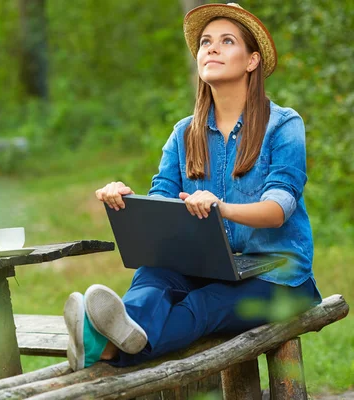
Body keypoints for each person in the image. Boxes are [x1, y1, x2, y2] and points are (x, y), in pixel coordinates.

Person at [63, 3, 322, 371]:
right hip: (210, 265)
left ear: (251, 61)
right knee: (153, 277)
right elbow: (162, 200)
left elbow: (279, 208)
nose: (211, 49)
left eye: (226, 41)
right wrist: (127, 200)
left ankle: (103, 345)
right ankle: (107, 334)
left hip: (279, 279)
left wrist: (222, 207)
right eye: (205, 42)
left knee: (205, 305)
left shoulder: (282, 125)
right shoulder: (185, 132)